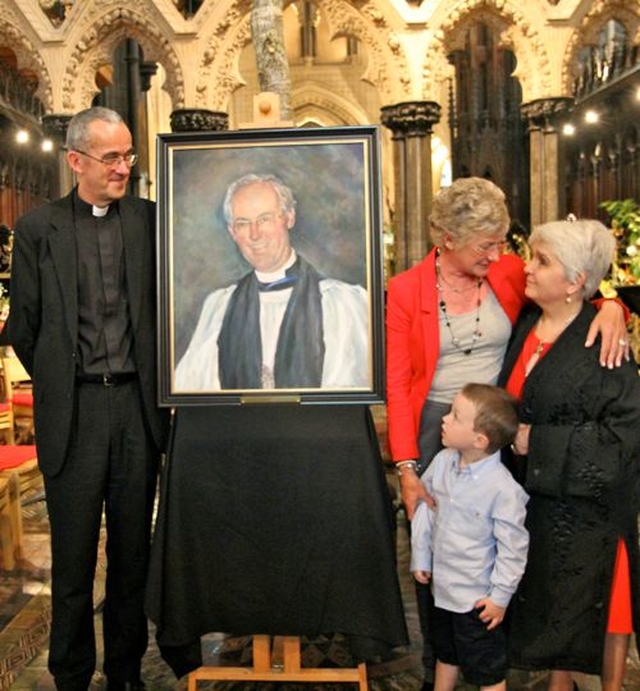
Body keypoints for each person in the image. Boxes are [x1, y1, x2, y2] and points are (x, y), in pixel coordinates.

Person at [385, 176, 629, 690]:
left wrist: (615, 306)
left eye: (502, 243)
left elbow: (573, 285)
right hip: (438, 428)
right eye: (485, 244)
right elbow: (398, 385)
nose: (499, 254)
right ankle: (443, 664)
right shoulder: (407, 289)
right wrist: (407, 467)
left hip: (500, 424)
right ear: (447, 239)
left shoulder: (505, 269)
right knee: (438, 552)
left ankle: (495, 660)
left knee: (501, 541)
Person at [3, 107, 170, 691]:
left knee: (131, 559)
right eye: (112, 157)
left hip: (135, 411)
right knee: (71, 562)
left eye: (128, 155)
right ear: (76, 161)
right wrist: (56, 383)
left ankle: (126, 672)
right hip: (72, 414)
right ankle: (70, 674)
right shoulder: (38, 230)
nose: (124, 167)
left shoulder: (150, 222)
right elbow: (22, 326)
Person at [498, 219, 640, 691]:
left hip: (590, 513)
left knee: (599, 611)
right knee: (554, 614)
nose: (528, 267)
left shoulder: (605, 342)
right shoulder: (525, 324)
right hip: (537, 504)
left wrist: (535, 441)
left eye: (542, 261)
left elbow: (622, 438)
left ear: (576, 281)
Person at [175, 172, 369, 390]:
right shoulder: (220, 306)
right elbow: (192, 390)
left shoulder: (340, 303)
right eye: (243, 223)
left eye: (264, 219)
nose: (255, 234)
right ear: (232, 232)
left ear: (289, 217)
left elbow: (347, 394)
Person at [411, 382, 529, 691]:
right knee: (445, 655)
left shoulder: (503, 490)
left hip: (478, 602)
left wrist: (500, 597)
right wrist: (422, 556)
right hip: (443, 592)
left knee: (486, 671)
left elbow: (513, 549)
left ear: (480, 439)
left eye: (455, 416)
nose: (445, 419)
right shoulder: (442, 463)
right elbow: (427, 508)